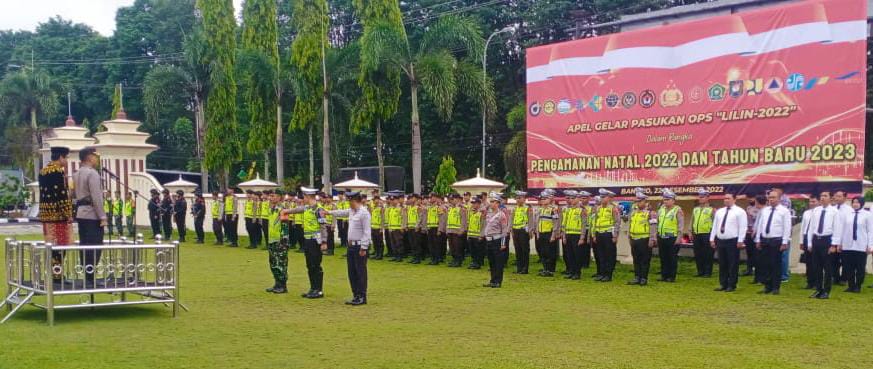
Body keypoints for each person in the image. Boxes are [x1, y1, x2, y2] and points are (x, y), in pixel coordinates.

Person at [324, 191, 371, 305]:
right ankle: (355, 295)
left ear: (356, 201)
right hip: (351, 246)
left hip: (359, 246)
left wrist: (364, 247)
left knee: (360, 272)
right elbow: (341, 212)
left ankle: (362, 296)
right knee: (352, 272)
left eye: (350, 201)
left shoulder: (364, 213)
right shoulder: (352, 211)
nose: (349, 203)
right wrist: (328, 212)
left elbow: (366, 231)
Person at [282, 187, 328, 299]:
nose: (303, 199)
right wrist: (287, 211)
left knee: (315, 265)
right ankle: (313, 288)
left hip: (315, 241)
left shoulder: (318, 209)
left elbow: (323, 227)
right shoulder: (307, 208)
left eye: (304, 197)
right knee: (309, 265)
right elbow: (298, 209)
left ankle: (318, 290)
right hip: (308, 240)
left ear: (308, 197)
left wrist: (324, 241)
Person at [72, 147, 107, 287]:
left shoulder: (77, 173)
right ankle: (90, 278)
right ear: (89, 157)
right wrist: (102, 216)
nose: (97, 159)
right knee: (95, 246)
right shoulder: (92, 174)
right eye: (95, 156)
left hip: (81, 213)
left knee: (84, 245)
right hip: (92, 214)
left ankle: (87, 276)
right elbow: (96, 197)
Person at [39, 146, 74, 280]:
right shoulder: (58, 171)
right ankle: (57, 274)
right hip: (58, 215)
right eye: (66, 158)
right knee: (61, 245)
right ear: (61, 157)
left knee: (51, 245)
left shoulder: (43, 171)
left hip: (46, 214)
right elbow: (62, 195)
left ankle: (54, 272)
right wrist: (68, 214)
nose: (66, 161)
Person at [753, 190, 792, 295]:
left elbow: (787, 227)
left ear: (779, 199)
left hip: (776, 240)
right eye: (769, 197)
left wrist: (784, 242)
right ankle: (767, 286)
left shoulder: (784, 211)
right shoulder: (765, 211)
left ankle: (775, 287)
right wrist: (758, 239)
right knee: (765, 264)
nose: (771, 199)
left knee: (775, 264)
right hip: (765, 240)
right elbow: (760, 225)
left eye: (773, 197)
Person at [806, 191, 842, 299]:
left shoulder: (834, 211)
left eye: (825, 196)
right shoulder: (816, 210)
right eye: (821, 196)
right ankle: (818, 289)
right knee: (816, 267)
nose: (822, 198)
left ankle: (826, 290)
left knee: (827, 268)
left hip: (827, 240)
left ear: (830, 198)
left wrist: (834, 245)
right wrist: (809, 242)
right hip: (816, 239)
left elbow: (837, 229)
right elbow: (811, 228)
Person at [710, 193, 748, 292]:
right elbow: (715, 225)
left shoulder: (739, 211)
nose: (726, 200)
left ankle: (732, 284)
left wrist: (740, 240)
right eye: (725, 198)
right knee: (722, 263)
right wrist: (712, 238)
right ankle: (723, 283)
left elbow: (743, 226)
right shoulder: (720, 211)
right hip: (721, 239)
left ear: (734, 199)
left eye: (728, 198)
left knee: (732, 263)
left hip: (733, 240)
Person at [838, 196, 872, 293]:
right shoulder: (848, 215)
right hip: (848, 245)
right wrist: (840, 243)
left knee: (860, 267)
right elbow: (843, 230)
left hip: (861, 245)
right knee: (848, 267)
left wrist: (870, 245)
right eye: (853, 202)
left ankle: (858, 286)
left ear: (862, 203)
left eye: (857, 202)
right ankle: (851, 285)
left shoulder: (867, 215)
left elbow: (870, 231)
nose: (855, 204)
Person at [627, 190, 657, 286]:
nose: (638, 203)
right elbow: (630, 224)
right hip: (634, 238)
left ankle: (644, 278)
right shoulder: (633, 213)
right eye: (637, 201)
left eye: (640, 201)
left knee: (644, 260)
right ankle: (637, 277)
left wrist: (652, 239)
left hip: (645, 239)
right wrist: (629, 236)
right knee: (636, 259)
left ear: (645, 202)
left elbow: (653, 227)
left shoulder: (650, 213)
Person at [482, 192, 510, 288]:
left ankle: (498, 281)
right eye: (491, 201)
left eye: (494, 202)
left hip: (497, 240)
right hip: (489, 240)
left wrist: (503, 243)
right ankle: (492, 280)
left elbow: (504, 230)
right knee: (491, 261)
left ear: (498, 203)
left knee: (498, 262)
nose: (491, 203)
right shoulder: (489, 214)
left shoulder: (501, 215)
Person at [591, 189, 620, 281]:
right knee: (601, 255)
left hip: (608, 234)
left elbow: (617, 222)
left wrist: (615, 235)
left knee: (609, 255)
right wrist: (594, 235)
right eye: (601, 197)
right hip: (599, 233)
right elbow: (595, 222)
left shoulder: (613, 208)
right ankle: (602, 273)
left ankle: (608, 275)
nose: (602, 199)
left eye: (604, 197)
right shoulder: (598, 208)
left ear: (608, 198)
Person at [656, 189, 684, 283]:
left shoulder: (677, 210)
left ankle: (671, 276)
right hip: (662, 236)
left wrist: (679, 238)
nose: (666, 201)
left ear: (673, 200)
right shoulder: (661, 209)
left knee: (672, 258)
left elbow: (680, 225)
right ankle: (664, 275)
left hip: (672, 237)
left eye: (668, 199)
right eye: (664, 199)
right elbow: (658, 222)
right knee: (663, 257)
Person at [532, 189, 561, 277]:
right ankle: (545, 268)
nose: (543, 200)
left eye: (545, 199)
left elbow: (556, 223)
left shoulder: (553, 210)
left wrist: (553, 235)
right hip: (541, 233)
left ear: (549, 199)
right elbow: (537, 222)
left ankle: (550, 270)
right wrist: (537, 233)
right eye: (542, 199)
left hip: (549, 233)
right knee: (543, 252)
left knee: (550, 253)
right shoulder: (540, 210)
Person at [266, 191, 290, 294]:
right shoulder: (271, 209)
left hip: (280, 240)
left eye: (273, 196)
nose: (270, 198)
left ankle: (282, 285)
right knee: (273, 263)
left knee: (281, 263)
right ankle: (277, 283)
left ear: (279, 197)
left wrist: (283, 241)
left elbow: (285, 226)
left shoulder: (282, 209)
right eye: (270, 196)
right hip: (272, 239)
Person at [561, 190, 586, 280]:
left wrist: (582, 237)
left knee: (577, 255)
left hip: (577, 235)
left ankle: (577, 273)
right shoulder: (568, 210)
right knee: (569, 254)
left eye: (573, 198)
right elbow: (564, 223)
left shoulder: (582, 210)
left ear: (578, 199)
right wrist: (564, 235)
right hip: (568, 234)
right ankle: (571, 271)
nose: (571, 200)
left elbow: (583, 225)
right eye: (570, 198)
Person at [691, 189, 715, 277]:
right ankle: (700, 271)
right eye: (699, 197)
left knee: (708, 253)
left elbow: (714, 222)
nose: (700, 198)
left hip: (707, 233)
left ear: (708, 198)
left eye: (703, 197)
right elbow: (692, 221)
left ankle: (707, 272)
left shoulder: (712, 210)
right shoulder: (695, 209)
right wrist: (691, 231)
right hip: (697, 233)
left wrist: (713, 235)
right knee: (698, 253)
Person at [831, 190, 852, 285]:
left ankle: (844, 278)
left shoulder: (849, 210)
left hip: (844, 239)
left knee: (845, 261)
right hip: (833, 239)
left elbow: (848, 227)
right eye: (836, 196)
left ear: (845, 198)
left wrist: (842, 241)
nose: (837, 198)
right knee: (833, 260)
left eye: (839, 196)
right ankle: (835, 277)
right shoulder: (832, 208)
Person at [510, 191, 533, 274]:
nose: (518, 200)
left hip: (523, 231)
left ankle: (525, 268)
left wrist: (530, 231)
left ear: (524, 199)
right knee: (518, 250)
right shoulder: (515, 208)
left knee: (524, 250)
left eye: (520, 198)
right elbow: (511, 219)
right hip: (515, 230)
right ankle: (519, 268)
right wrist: (511, 229)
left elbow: (530, 220)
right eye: (517, 198)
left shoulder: (528, 208)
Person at [799, 195, 819, 289]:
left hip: (816, 237)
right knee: (808, 261)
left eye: (814, 201)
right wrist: (801, 241)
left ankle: (816, 282)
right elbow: (803, 227)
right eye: (810, 201)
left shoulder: (820, 212)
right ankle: (809, 282)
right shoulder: (806, 213)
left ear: (818, 202)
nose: (811, 203)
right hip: (806, 237)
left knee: (816, 261)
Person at [744, 195, 765, 283]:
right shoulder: (759, 211)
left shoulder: (765, 211)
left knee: (760, 258)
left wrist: (756, 233)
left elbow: (760, 224)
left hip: (761, 236)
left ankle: (761, 278)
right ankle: (757, 278)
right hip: (754, 235)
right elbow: (757, 224)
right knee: (755, 258)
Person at [445, 193, 468, 267]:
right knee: (452, 247)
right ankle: (454, 260)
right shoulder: (450, 208)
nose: (451, 201)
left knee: (458, 247)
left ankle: (458, 261)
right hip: (450, 231)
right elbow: (448, 220)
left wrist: (462, 230)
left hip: (457, 231)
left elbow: (464, 220)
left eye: (453, 199)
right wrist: (447, 229)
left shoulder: (461, 209)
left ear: (457, 199)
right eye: (451, 199)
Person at [425, 193, 447, 265]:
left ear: (435, 198)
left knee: (436, 244)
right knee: (431, 245)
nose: (430, 199)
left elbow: (441, 219)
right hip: (430, 228)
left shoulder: (439, 207)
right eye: (430, 198)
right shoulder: (430, 207)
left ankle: (436, 259)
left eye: (431, 197)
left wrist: (440, 229)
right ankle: (432, 258)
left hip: (436, 228)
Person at [466, 197, 485, 269]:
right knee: (472, 251)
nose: (473, 205)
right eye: (472, 203)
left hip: (477, 236)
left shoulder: (481, 213)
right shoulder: (471, 213)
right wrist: (468, 234)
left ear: (479, 204)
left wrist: (481, 235)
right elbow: (469, 224)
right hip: (471, 235)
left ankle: (478, 263)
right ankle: (474, 262)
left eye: (475, 203)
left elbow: (483, 225)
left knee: (478, 251)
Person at [369, 193, 386, 260]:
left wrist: (381, 228)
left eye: (376, 199)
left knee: (379, 242)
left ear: (379, 200)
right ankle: (376, 253)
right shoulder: (373, 208)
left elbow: (382, 219)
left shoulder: (381, 208)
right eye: (374, 200)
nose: (375, 201)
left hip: (378, 228)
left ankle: (380, 255)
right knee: (375, 242)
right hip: (373, 227)